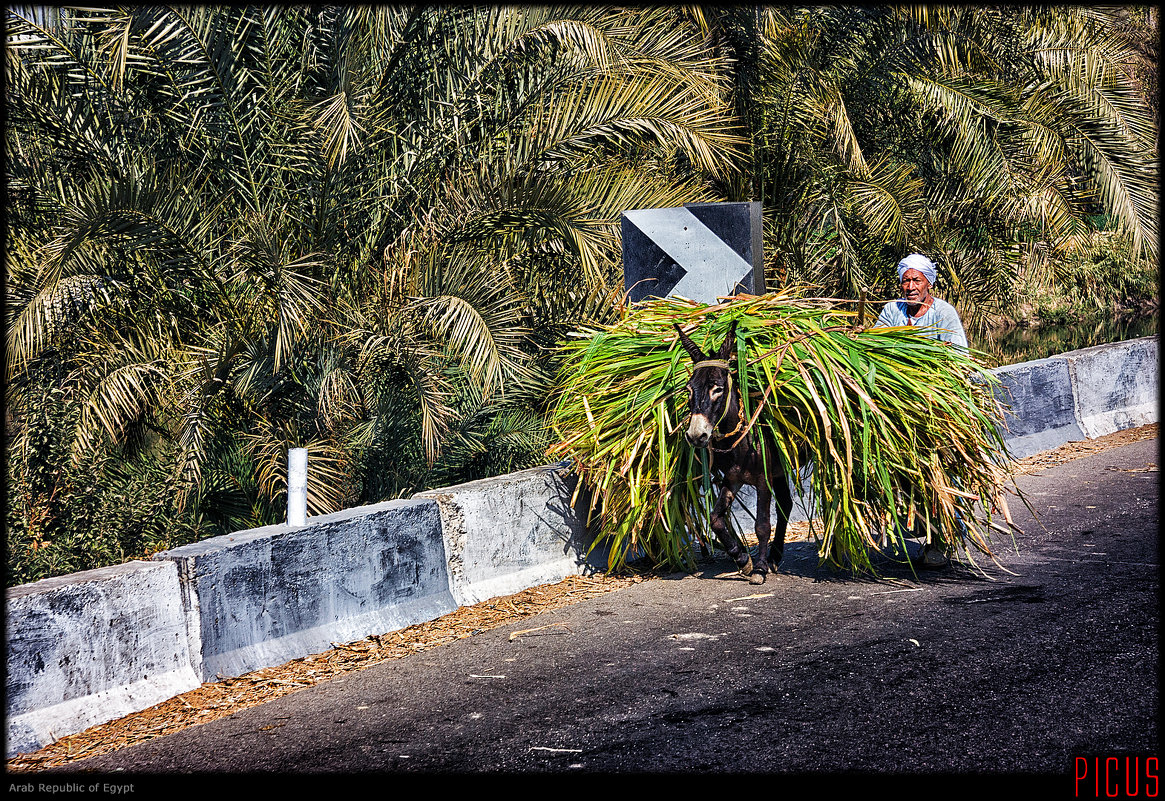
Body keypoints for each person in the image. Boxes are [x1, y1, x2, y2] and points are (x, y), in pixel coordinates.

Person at [876, 253, 968, 568]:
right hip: (897, 407)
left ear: (929, 282)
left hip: (935, 408)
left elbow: (957, 359)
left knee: (936, 473)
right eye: (905, 280)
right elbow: (876, 349)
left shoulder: (944, 314)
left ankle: (945, 535)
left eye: (916, 280)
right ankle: (924, 527)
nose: (910, 286)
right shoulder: (892, 311)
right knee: (902, 473)